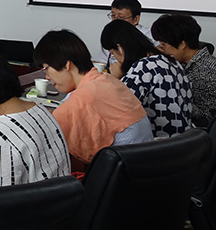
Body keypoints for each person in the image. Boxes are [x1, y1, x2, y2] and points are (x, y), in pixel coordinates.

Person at [34, 29, 151, 163]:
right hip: (144, 161)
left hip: (126, 169)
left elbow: (50, 134)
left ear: (66, 65)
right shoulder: (106, 79)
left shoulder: (84, 97)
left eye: (46, 69)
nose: (47, 77)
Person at [0, 50, 70, 188]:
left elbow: (2, 196)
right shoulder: (41, 109)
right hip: (64, 196)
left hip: (37, 202)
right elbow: (20, 137)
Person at [100, 19, 193, 138]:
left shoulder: (143, 67)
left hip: (161, 143)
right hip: (185, 139)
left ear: (120, 48)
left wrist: (114, 80)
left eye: (113, 54)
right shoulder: (172, 61)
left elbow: (117, 109)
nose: (116, 60)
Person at [150, 13, 216, 128]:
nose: (161, 49)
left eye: (163, 45)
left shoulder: (203, 71)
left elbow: (205, 117)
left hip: (203, 129)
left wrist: (175, 93)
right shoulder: (192, 61)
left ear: (182, 44)